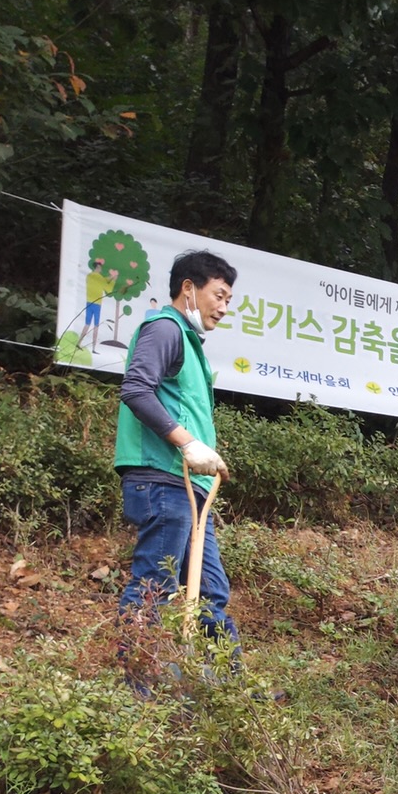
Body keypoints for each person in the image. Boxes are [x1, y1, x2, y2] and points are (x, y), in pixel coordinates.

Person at [115, 249, 240, 644]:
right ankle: (140, 694)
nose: (223, 307)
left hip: (187, 487)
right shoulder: (166, 328)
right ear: (188, 288)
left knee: (210, 592)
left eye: (228, 301)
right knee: (154, 584)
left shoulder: (187, 340)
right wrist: (187, 443)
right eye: (218, 295)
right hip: (163, 478)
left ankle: (221, 695)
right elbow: (136, 389)